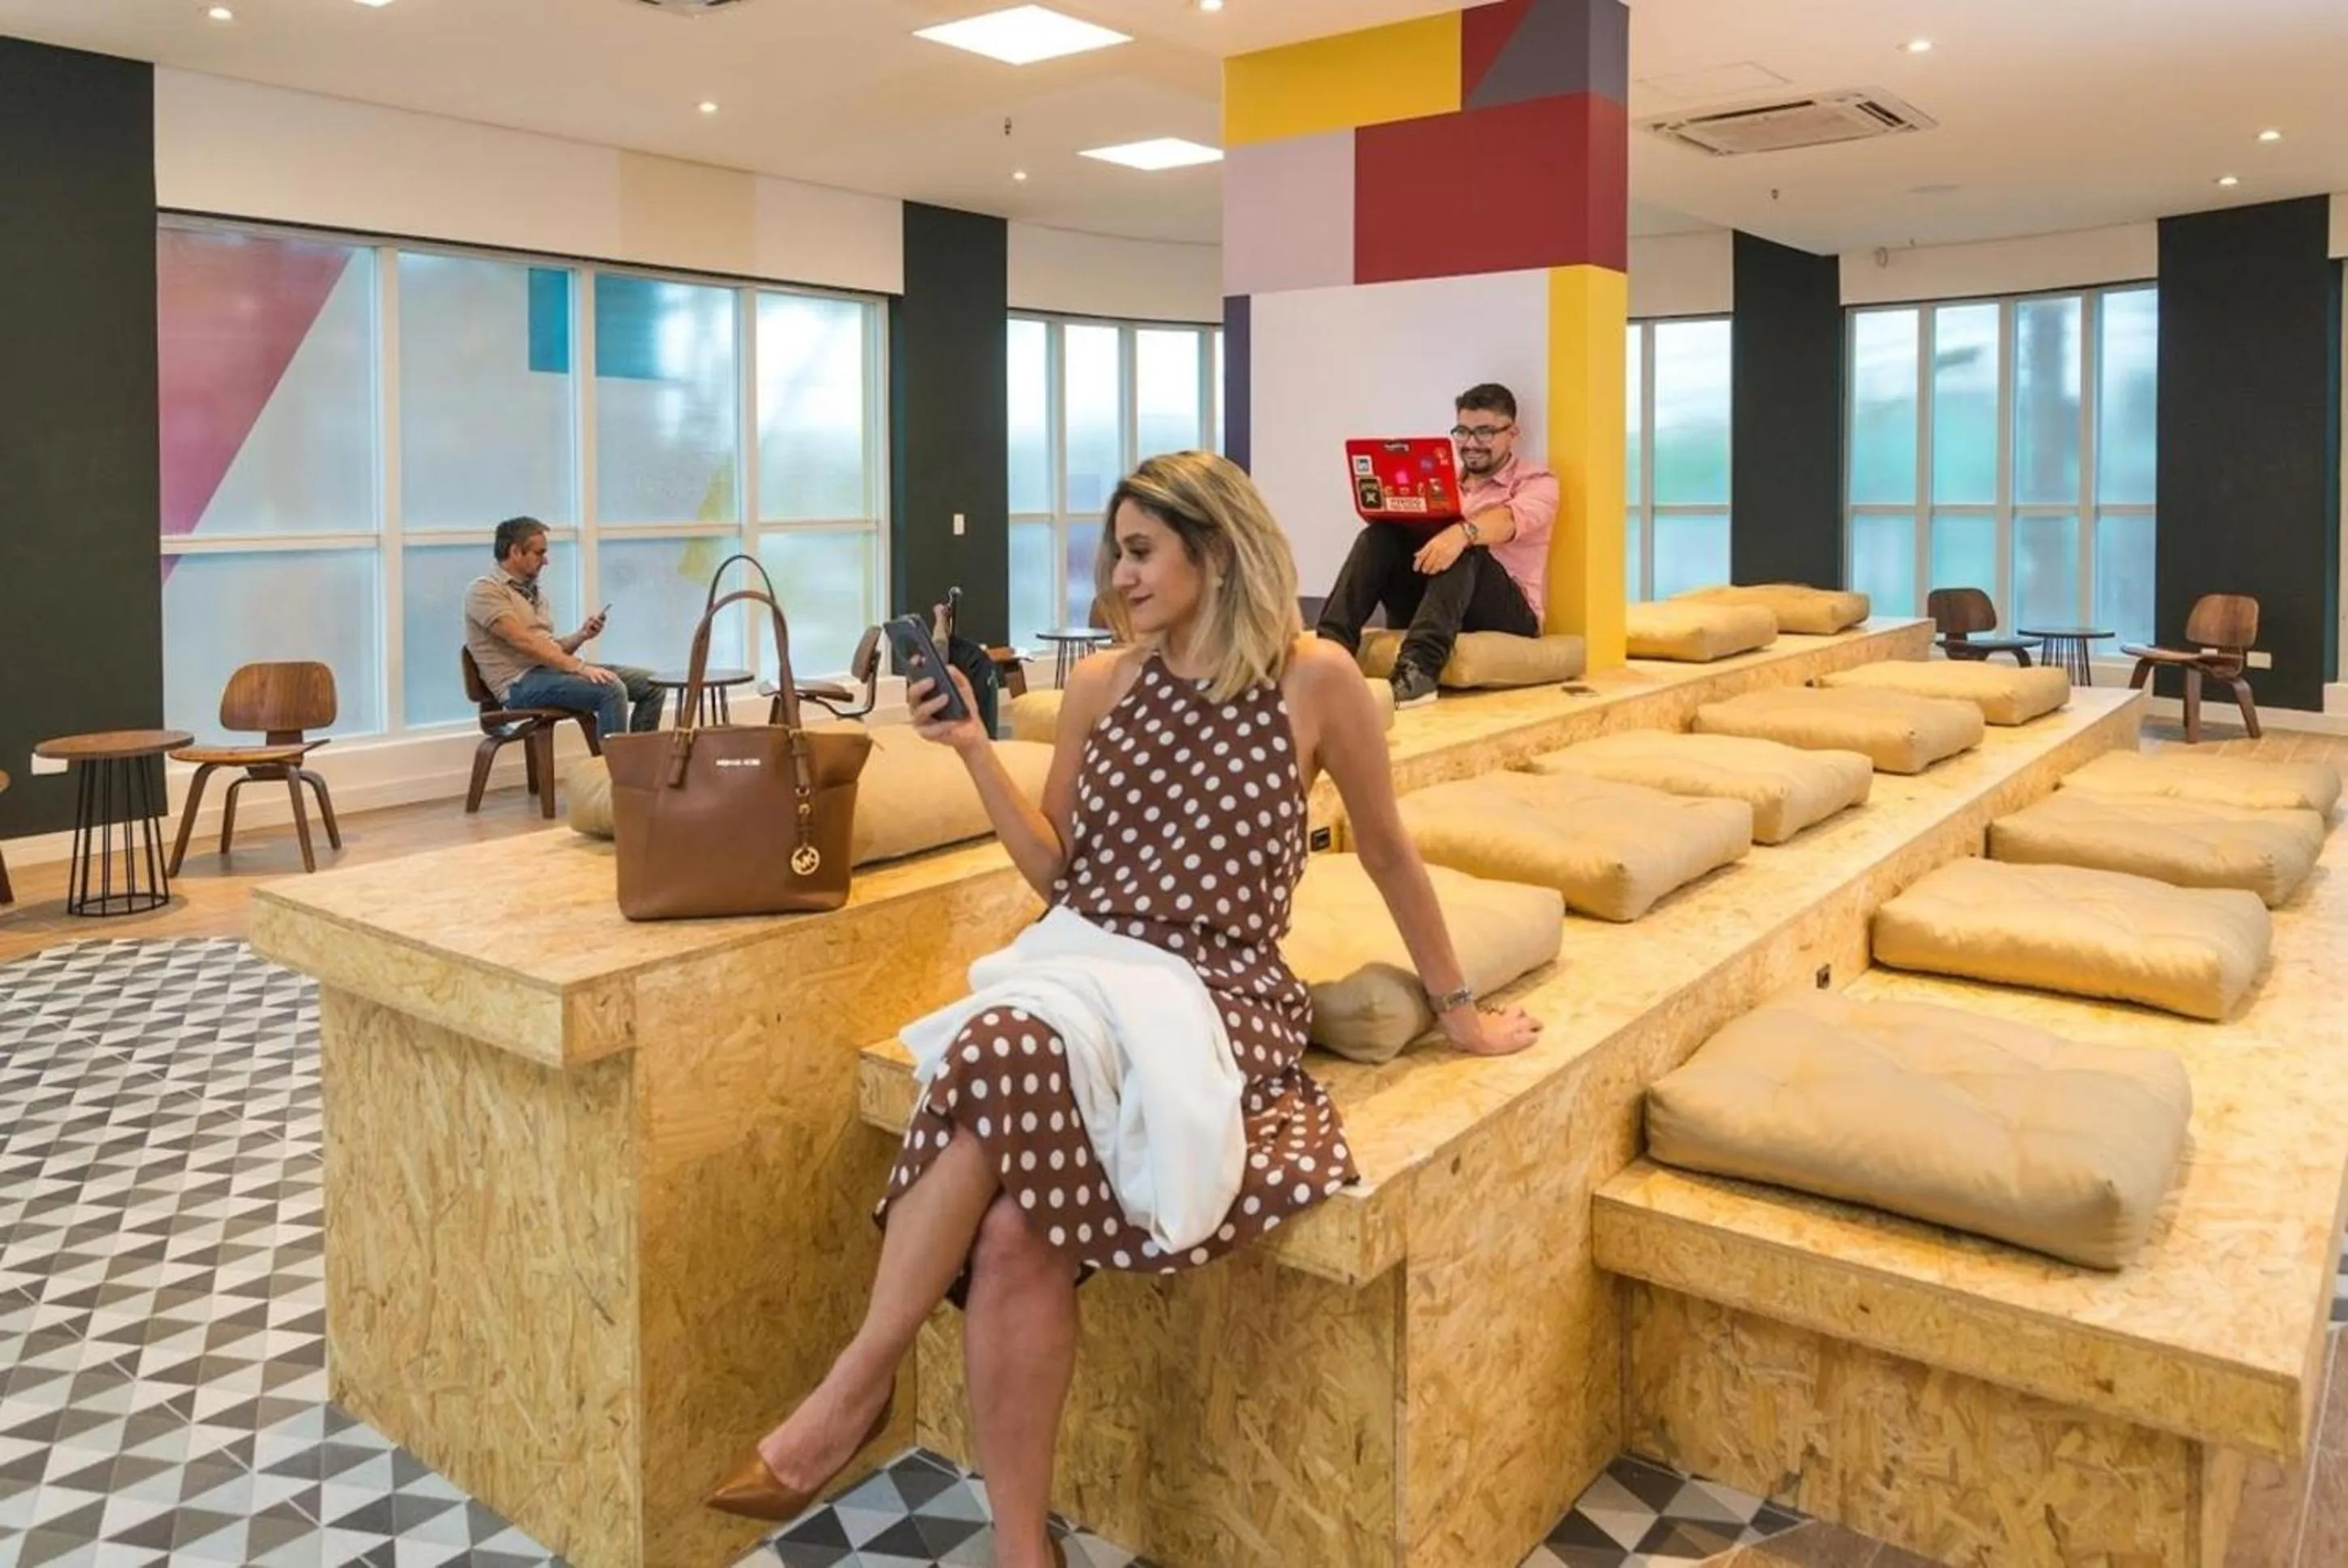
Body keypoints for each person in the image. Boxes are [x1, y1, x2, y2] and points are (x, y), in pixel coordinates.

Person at [704, 451, 1542, 1567]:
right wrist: (970, 753)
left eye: (1142, 551)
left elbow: (1390, 852)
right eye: (1118, 552)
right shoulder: (1102, 687)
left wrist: (1459, 1010)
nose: (1121, 575)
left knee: (1002, 1048)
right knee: (1009, 1235)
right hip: (1081, 960)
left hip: (1214, 991)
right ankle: (1020, 1549)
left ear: (1213, 546)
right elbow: (1058, 878)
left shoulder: (1315, 680)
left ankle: (856, 1382)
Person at [1313, 383, 1559, 709]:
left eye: (1485, 433)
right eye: (1463, 432)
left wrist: (1460, 534)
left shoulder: (1538, 482)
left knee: (1465, 545)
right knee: (1379, 537)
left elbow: (1507, 522)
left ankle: (1418, 673)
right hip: (1439, 597)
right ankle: (1329, 656)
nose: (1471, 444)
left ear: (1512, 432)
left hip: (1507, 613)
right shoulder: (1440, 482)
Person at [462, 516, 663, 739]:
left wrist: (582, 636)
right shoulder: (484, 591)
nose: (546, 560)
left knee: (653, 684)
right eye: (539, 553)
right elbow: (523, 642)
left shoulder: (533, 593)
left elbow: (548, 648)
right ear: (516, 552)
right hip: (518, 685)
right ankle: (614, 771)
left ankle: (640, 764)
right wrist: (579, 667)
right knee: (611, 689)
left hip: (549, 673)